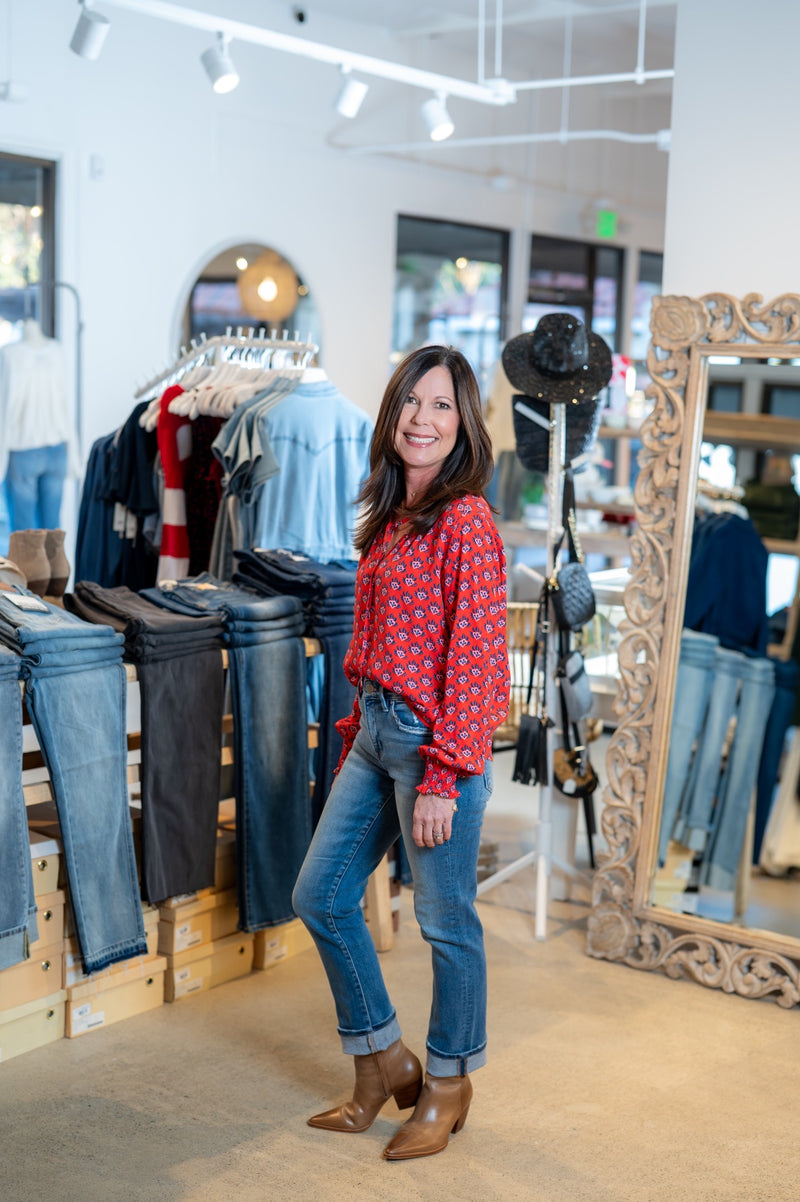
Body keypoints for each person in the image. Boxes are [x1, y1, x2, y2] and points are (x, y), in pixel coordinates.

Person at [292, 344, 510, 1161]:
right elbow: (380, 642)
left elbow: (478, 661)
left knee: (445, 921)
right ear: (392, 414)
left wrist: (444, 779)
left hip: (432, 749)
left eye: (443, 406)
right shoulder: (392, 514)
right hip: (374, 735)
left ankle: (448, 1086)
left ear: (464, 426)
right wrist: (360, 731)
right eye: (413, 402)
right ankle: (383, 1060)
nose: (423, 419)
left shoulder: (465, 521)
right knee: (320, 895)